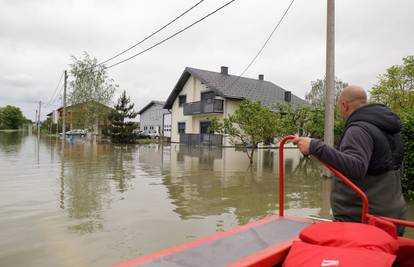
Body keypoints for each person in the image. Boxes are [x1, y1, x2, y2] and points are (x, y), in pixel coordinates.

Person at [293, 85, 406, 235]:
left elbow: (357, 167)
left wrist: (315, 146)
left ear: (344, 105)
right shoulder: (388, 130)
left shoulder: (358, 129)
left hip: (364, 222)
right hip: (393, 216)